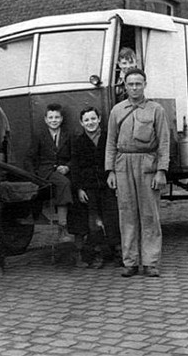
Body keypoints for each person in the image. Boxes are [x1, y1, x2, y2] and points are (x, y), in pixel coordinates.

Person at [105, 68, 170, 277]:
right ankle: (130, 262)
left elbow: (164, 143)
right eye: (130, 84)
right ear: (125, 86)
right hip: (123, 164)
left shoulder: (156, 110)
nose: (134, 87)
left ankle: (151, 262)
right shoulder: (117, 110)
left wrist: (161, 171)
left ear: (145, 84)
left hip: (148, 165)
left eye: (138, 83)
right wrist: (111, 171)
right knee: (127, 214)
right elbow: (111, 143)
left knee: (149, 214)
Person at [71, 106, 122, 268]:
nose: (90, 123)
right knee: (94, 222)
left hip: (108, 185)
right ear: (81, 123)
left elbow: (116, 159)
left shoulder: (108, 139)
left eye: (93, 119)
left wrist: (113, 176)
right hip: (89, 188)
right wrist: (79, 188)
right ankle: (98, 254)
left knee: (112, 219)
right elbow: (75, 167)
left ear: (99, 119)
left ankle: (118, 253)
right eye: (86, 120)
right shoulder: (78, 142)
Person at [25, 103, 74, 243]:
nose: (54, 120)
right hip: (45, 171)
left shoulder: (68, 135)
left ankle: (75, 226)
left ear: (62, 119)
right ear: (46, 119)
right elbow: (29, 157)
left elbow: (74, 156)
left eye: (57, 117)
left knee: (71, 183)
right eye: (51, 117)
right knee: (64, 183)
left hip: (62, 170)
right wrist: (32, 176)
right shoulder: (40, 136)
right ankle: (62, 227)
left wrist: (67, 167)